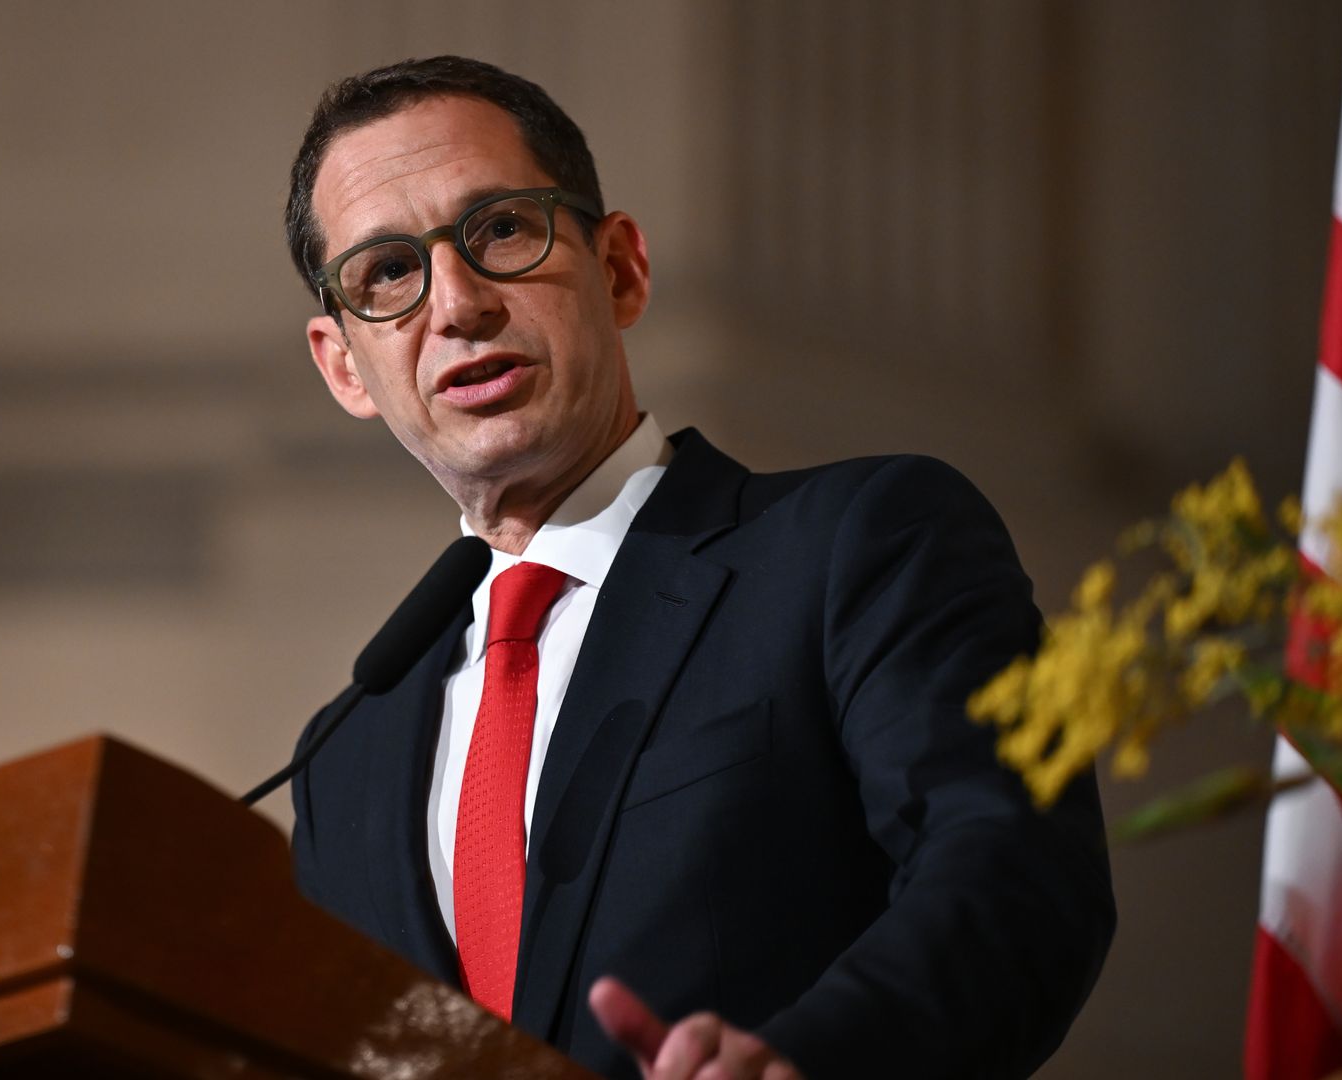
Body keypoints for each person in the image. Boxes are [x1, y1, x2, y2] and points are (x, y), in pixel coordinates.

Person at [283, 55, 1115, 1080]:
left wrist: (805, 1060)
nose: (455, 305)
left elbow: (1014, 878)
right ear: (341, 364)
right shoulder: (343, 757)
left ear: (623, 267)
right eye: (388, 274)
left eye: (501, 229)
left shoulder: (859, 543)